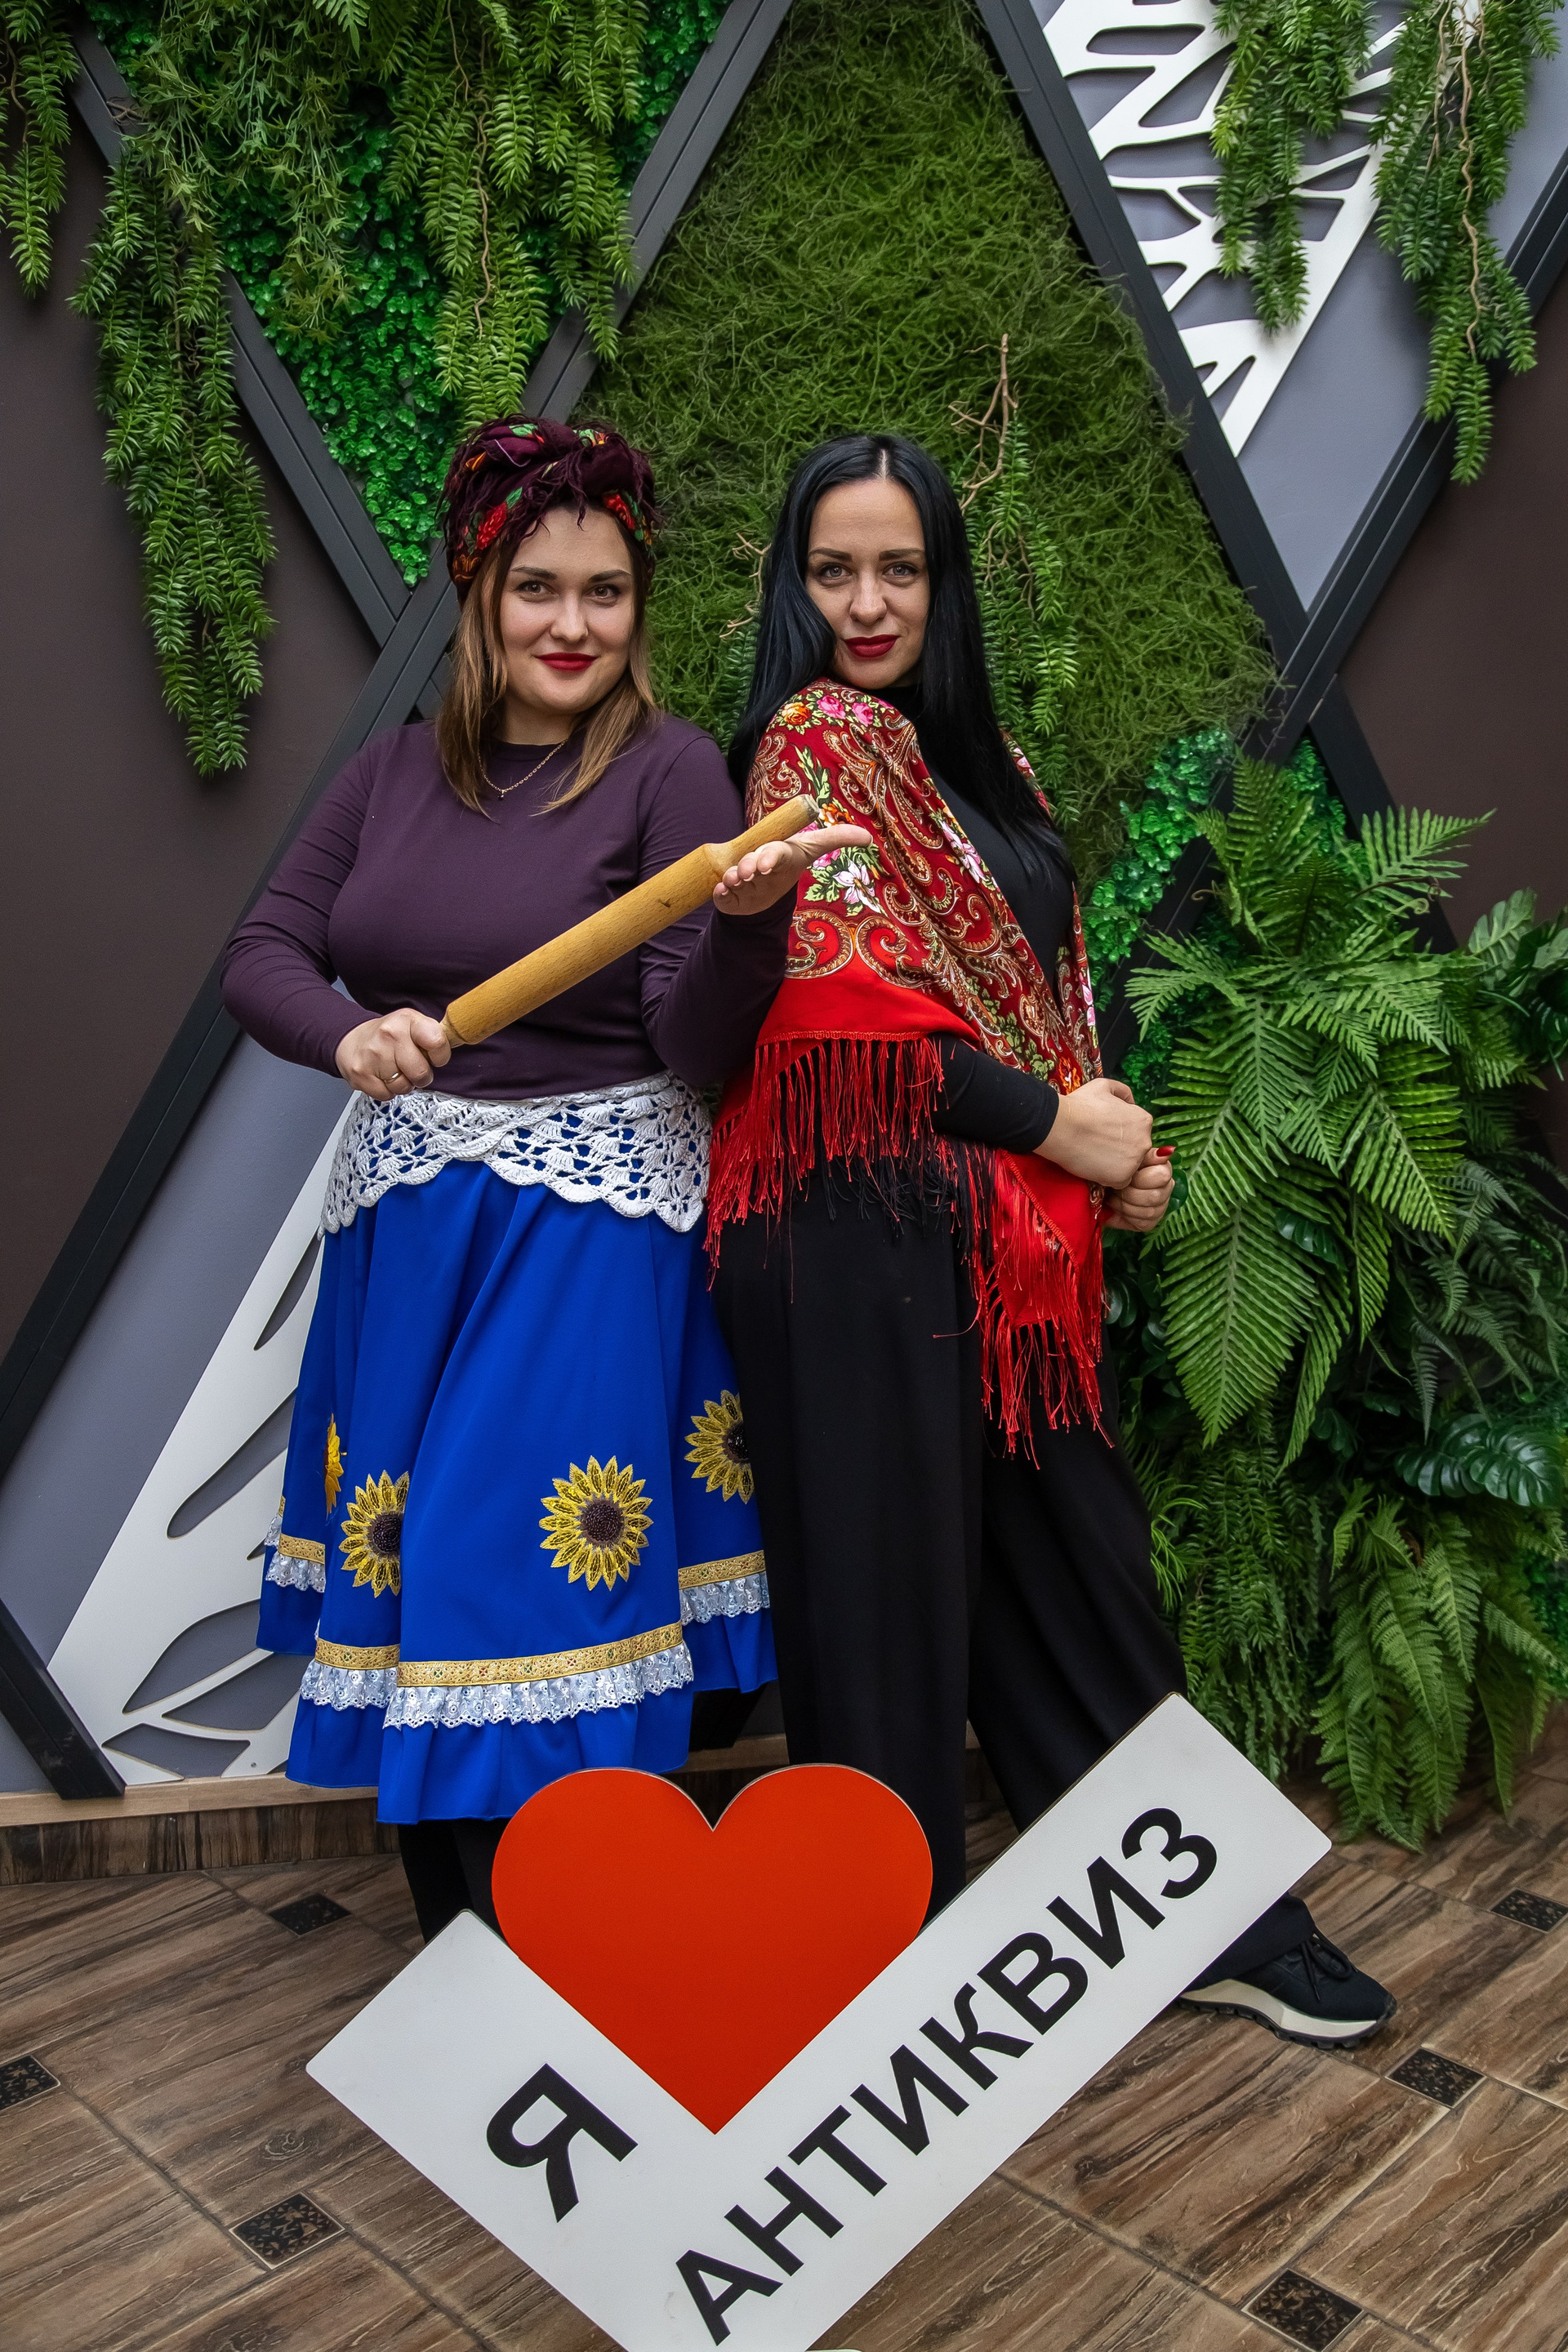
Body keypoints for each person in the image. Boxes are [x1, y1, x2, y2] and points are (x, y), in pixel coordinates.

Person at [708, 432, 1396, 2049]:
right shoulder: (808, 742)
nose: (867, 603)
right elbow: (836, 1009)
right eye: (833, 570)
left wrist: (1101, 1154)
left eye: (900, 568)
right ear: (792, 586)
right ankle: (883, 1981)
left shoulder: (988, 764)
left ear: (944, 583)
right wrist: (1055, 1129)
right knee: (884, 1619)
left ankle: (1211, 1919)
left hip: (991, 1239)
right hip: (852, 1235)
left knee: (1084, 1578)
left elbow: (1035, 1006)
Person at [222, 416, 862, 1940]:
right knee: (415, 1574)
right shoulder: (387, 775)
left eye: (606, 592)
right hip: (407, 1240)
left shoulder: (669, 774)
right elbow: (262, 954)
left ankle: (566, 1939)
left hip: (585, 1231)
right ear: (478, 594)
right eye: (537, 589)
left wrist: (750, 928)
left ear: (639, 606)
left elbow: (693, 1042)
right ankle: (475, 1952)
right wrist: (347, 1033)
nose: (572, 625)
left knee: (506, 1565)